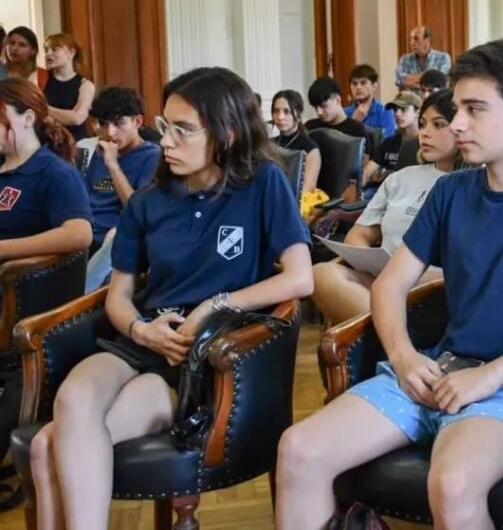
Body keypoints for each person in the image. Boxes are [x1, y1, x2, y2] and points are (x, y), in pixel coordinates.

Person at [275, 39, 503, 529]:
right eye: (456, 108)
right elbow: (389, 285)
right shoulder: (452, 190)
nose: (456, 123)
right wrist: (403, 355)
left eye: (473, 110)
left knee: (453, 480)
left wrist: (492, 374)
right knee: (298, 450)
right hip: (437, 372)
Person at [27, 67, 313, 529]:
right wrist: (142, 329)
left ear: (227, 133)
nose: (167, 141)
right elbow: (118, 295)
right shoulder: (148, 200)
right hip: (143, 339)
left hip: (201, 358)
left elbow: (300, 279)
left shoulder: (262, 183)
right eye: (164, 127)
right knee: (73, 399)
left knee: (45, 447)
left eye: (183, 130)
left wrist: (213, 306)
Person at [310, 89, 456, 325]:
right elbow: (359, 235)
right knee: (321, 274)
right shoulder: (400, 178)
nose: (425, 133)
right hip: (383, 280)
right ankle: (398, 337)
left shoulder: (473, 183)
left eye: (438, 124)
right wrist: (377, 267)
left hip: (433, 287)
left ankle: (389, 338)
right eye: (423, 124)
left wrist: (401, 276)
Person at [0, 78, 91, 260]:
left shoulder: (55, 172)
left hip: (18, 282)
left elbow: (80, 234)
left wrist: (3, 249)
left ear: (28, 118)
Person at [83, 87, 161, 293]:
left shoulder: (152, 156)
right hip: (86, 236)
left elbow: (137, 210)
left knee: (114, 236)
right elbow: (85, 199)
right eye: (103, 124)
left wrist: (113, 166)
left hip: (118, 239)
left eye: (119, 124)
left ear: (137, 122)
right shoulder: (100, 152)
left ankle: (67, 309)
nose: (110, 133)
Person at [363, 91, 421, 189]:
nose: (397, 114)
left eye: (403, 109)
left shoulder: (424, 143)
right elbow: (366, 173)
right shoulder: (389, 142)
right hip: (382, 193)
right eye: (395, 110)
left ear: (417, 112)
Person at [43, 32, 95, 141]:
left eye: (54, 49)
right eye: (46, 50)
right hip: (46, 143)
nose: (48, 54)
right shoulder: (41, 78)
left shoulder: (86, 85)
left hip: (76, 145)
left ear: (71, 53)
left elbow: (77, 118)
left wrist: (44, 109)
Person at [271, 89, 323, 194]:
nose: (280, 117)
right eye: (276, 111)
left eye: (287, 112)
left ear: (299, 116)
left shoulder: (310, 150)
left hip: (294, 202)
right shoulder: (269, 144)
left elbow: (307, 189)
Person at [306, 77, 373, 157]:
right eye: (315, 107)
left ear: (338, 100)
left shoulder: (357, 130)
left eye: (323, 106)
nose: (319, 112)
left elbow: (362, 164)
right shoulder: (310, 128)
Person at [345, 64, 397, 137]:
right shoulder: (345, 112)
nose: (358, 87)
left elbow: (388, 142)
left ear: (374, 86)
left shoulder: (385, 111)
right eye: (354, 83)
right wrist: (354, 121)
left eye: (363, 83)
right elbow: (342, 143)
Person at [395, 26, 452, 90]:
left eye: (416, 39)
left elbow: (441, 80)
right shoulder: (405, 59)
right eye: (411, 39)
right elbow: (399, 80)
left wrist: (411, 80)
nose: (412, 43)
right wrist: (430, 76)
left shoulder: (443, 58)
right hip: (411, 99)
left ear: (427, 40)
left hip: (435, 99)